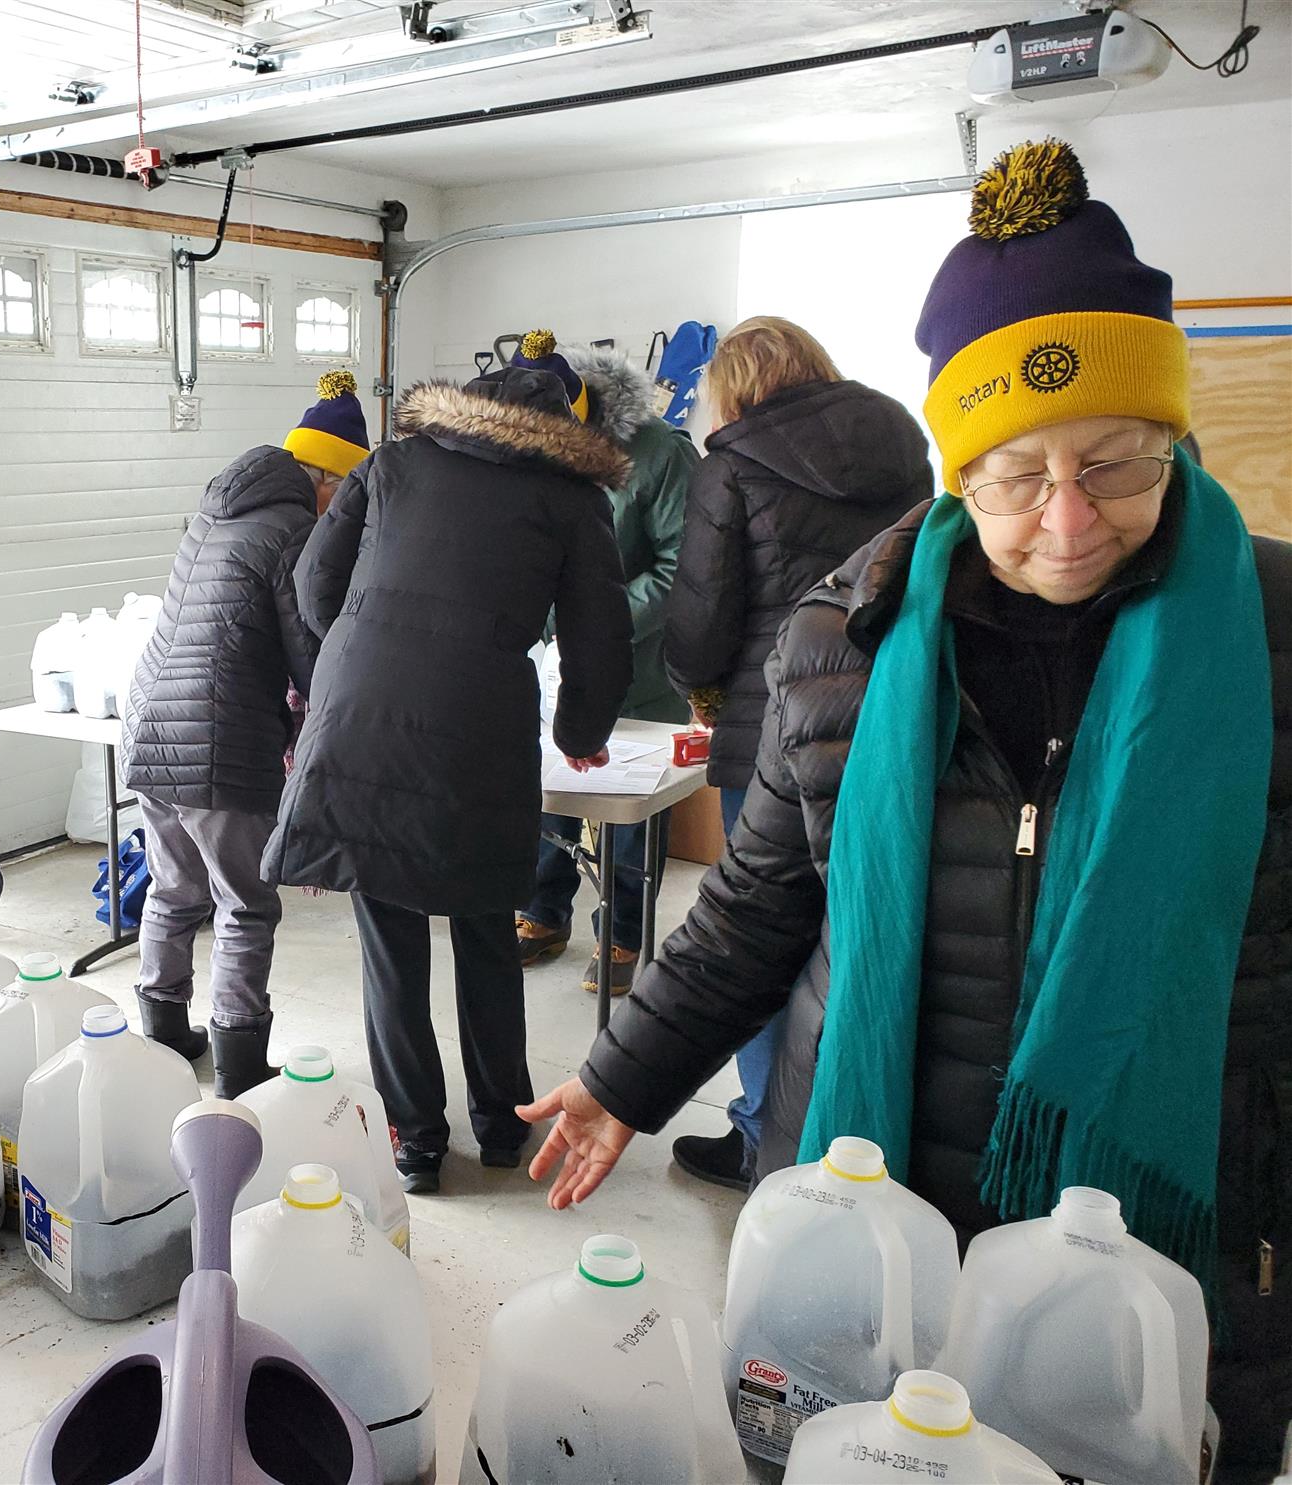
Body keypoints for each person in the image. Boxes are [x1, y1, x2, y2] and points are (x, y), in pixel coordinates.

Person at [520, 140, 1290, 1470]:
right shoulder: (848, 640)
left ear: (1175, 438)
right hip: (886, 1212)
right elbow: (761, 902)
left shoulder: (1275, 634)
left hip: (1177, 1218)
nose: (1067, 519)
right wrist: (620, 1075)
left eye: (1116, 463)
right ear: (959, 467)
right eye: (1016, 473)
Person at [265, 365, 633, 1193]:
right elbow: (601, 637)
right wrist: (580, 733)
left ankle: (416, 1143)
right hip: (482, 722)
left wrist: (365, 645)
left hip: (360, 716)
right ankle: (502, 1124)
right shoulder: (571, 498)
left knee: (389, 937)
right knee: (485, 926)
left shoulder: (393, 463)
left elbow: (313, 584)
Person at [659, 316, 930, 1191]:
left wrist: (696, 685)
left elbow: (701, 619)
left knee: (758, 932)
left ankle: (759, 1139)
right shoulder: (902, 442)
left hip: (771, 724)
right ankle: (853, 1135)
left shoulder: (729, 464)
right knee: (856, 928)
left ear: (733, 390)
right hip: (890, 717)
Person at [120, 370, 364, 1094]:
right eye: (347, 494)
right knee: (245, 903)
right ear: (328, 480)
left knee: (174, 888)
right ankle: (239, 1062)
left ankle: (163, 1035)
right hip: (218, 738)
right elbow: (307, 651)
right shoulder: (294, 531)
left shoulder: (217, 511)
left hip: (148, 723)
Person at [508, 332, 700, 996]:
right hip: (552, 660)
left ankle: (623, 928)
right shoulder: (533, 449)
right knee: (547, 787)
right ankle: (543, 910)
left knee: (630, 805)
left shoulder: (661, 453)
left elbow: (682, 567)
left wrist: (599, 620)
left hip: (636, 665)